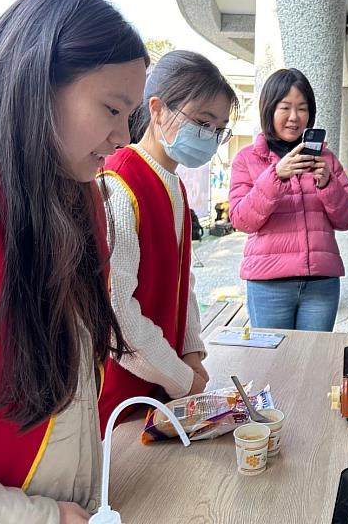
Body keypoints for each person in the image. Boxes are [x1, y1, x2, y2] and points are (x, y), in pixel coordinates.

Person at [0, 0, 147, 523]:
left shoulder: (63, 193)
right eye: (112, 108)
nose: (122, 138)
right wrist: (40, 517)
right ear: (39, 80)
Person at [97, 51, 239, 429]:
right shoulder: (119, 181)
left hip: (165, 384)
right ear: (157, 109)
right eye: (202, 121)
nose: (209, 136)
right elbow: (115, 313)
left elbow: (183, 279)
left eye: (219, 128)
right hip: (121, 395)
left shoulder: (174, 183)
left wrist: (191, 351)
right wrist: (179, 376)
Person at [229, 68, 348, 331]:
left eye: (302, 108)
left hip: (321, 284)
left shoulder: (327, 158)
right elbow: (242, 220)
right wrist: (275, 176)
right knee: (272, 362)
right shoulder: (247, 159)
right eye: (285, 107)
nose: (294, 117)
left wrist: (327, 184)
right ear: (268, 109)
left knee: (312, 361)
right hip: (269, 283)